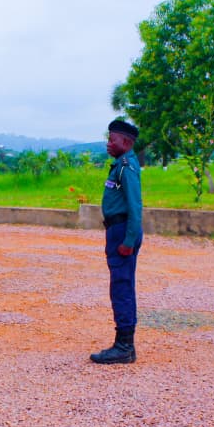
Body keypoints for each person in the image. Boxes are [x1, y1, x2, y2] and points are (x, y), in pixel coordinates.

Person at [90, 120, 143, 365]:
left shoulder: (126, 167)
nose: (108, 144)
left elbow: (135, 206)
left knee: (121, 287)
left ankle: (123, 346)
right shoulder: (120, 166)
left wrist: (129, 239)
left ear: (126, 143)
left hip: (123, 232)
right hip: (118, 230)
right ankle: (126, 345)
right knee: (121, 285)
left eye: (112, 140)